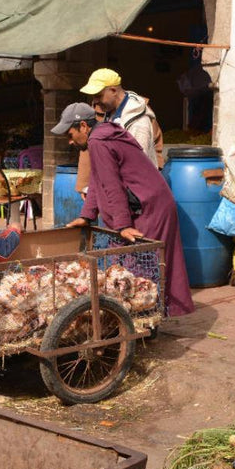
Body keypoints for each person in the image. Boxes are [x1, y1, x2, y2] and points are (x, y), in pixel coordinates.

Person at [55, 103, 195, 318]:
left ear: (83, 126)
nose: (70, 141)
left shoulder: (98, 140)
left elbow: (112, 185)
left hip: (149, 206)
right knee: (131, 267)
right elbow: (97, 178)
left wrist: (123, 225)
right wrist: (87, 214)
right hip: (146, 202)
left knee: (143, 267)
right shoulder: (100, 137)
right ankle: (142, 318)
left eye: (70, 134)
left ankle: (146, 321)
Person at [80, 68, 161, 167]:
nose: (95, 101)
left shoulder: (138, 123)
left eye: (98, 96)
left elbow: (137, 166)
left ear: (113, 90)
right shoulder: (110, 113)